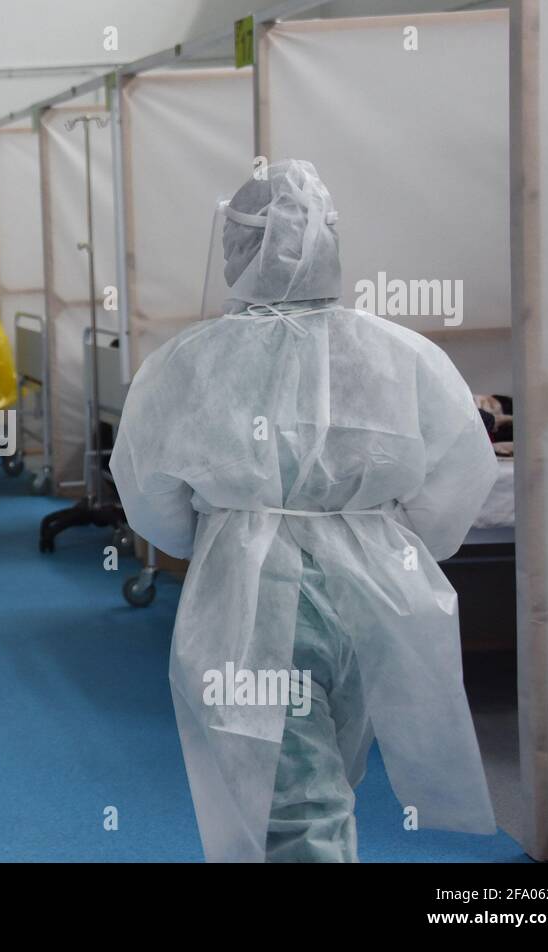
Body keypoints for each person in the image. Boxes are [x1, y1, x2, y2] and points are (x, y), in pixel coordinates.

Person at [111, 159, 498, 862]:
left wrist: (217, 536)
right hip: (380, 589)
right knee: (335, 767)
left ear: (238, 247)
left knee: (291, 799)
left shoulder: (186, 363)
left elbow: (149, 497)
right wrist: (389, 543)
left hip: (250, 592)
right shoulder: (404, 354)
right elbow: (460, 480)